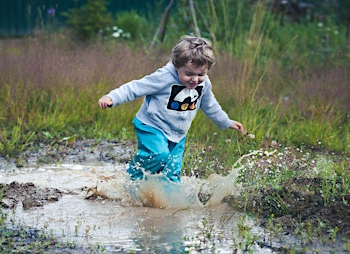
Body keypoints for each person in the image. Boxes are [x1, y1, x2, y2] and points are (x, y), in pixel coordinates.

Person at [98, 35, 244, 183]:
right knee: (159, 155)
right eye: (189, 74)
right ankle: (132, 177)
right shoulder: (164, 77)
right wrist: (112, 97)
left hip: (178, 134)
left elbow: (210, 105)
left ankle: (167, 200)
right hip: (152, 126)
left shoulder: (204, 84)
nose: (195, 79)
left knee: (172, 173)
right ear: (176, 66)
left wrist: (226, 122)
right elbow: (135, 87)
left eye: (201, 74)